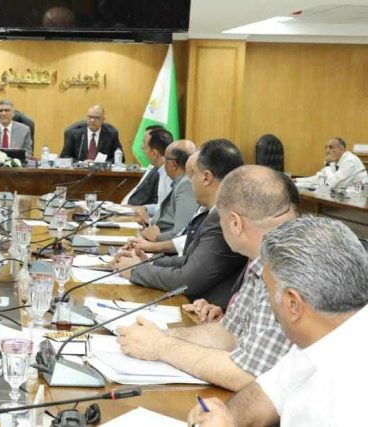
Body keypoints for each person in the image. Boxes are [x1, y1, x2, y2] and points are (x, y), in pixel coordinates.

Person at [116, 165, 297, 392]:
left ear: (235, 223)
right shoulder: (262, 258)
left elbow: (249, 374)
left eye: (219, 220)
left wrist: (161, 346)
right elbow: (228, 333)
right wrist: (156, 336)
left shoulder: (287, 265)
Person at [187, 216, 368, 426]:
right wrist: (226, 416)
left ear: (293, 304)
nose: (268, 300)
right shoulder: (321, 333)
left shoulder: (350, 400)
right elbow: (269, 392)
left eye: (268, 289)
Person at [115, 140, 247, 309]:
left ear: (206, 177)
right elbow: (190, 261)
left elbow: (188, 280)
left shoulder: (223, 218)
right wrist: (147, 262)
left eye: (193, 175)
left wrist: (136, 271)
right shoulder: (216, 212)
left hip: (203, 310)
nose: (189, 182)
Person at [139, 139, 199, 242]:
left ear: (173, 164)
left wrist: (156, 238)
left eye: (165, 159)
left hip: (162, 244)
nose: (163, 163)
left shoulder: (186, 185)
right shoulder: (180, 182)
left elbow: (181, 233)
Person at [121, 126, 172, 206]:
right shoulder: (155, 168)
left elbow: (161, 206)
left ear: (154, 153)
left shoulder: (168, 175)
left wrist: (140, 209)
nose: (142, 147)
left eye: (144, 142)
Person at [295, 137, 367, 188]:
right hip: (345, 196)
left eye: (331, 147)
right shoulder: (334, 162)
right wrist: (297, 180)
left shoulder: (350, 160)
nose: (327, 151)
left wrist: (328, 165)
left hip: (360, 197)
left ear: (342, 149)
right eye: (326, 148)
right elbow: (320, 178)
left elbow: (331, 183)